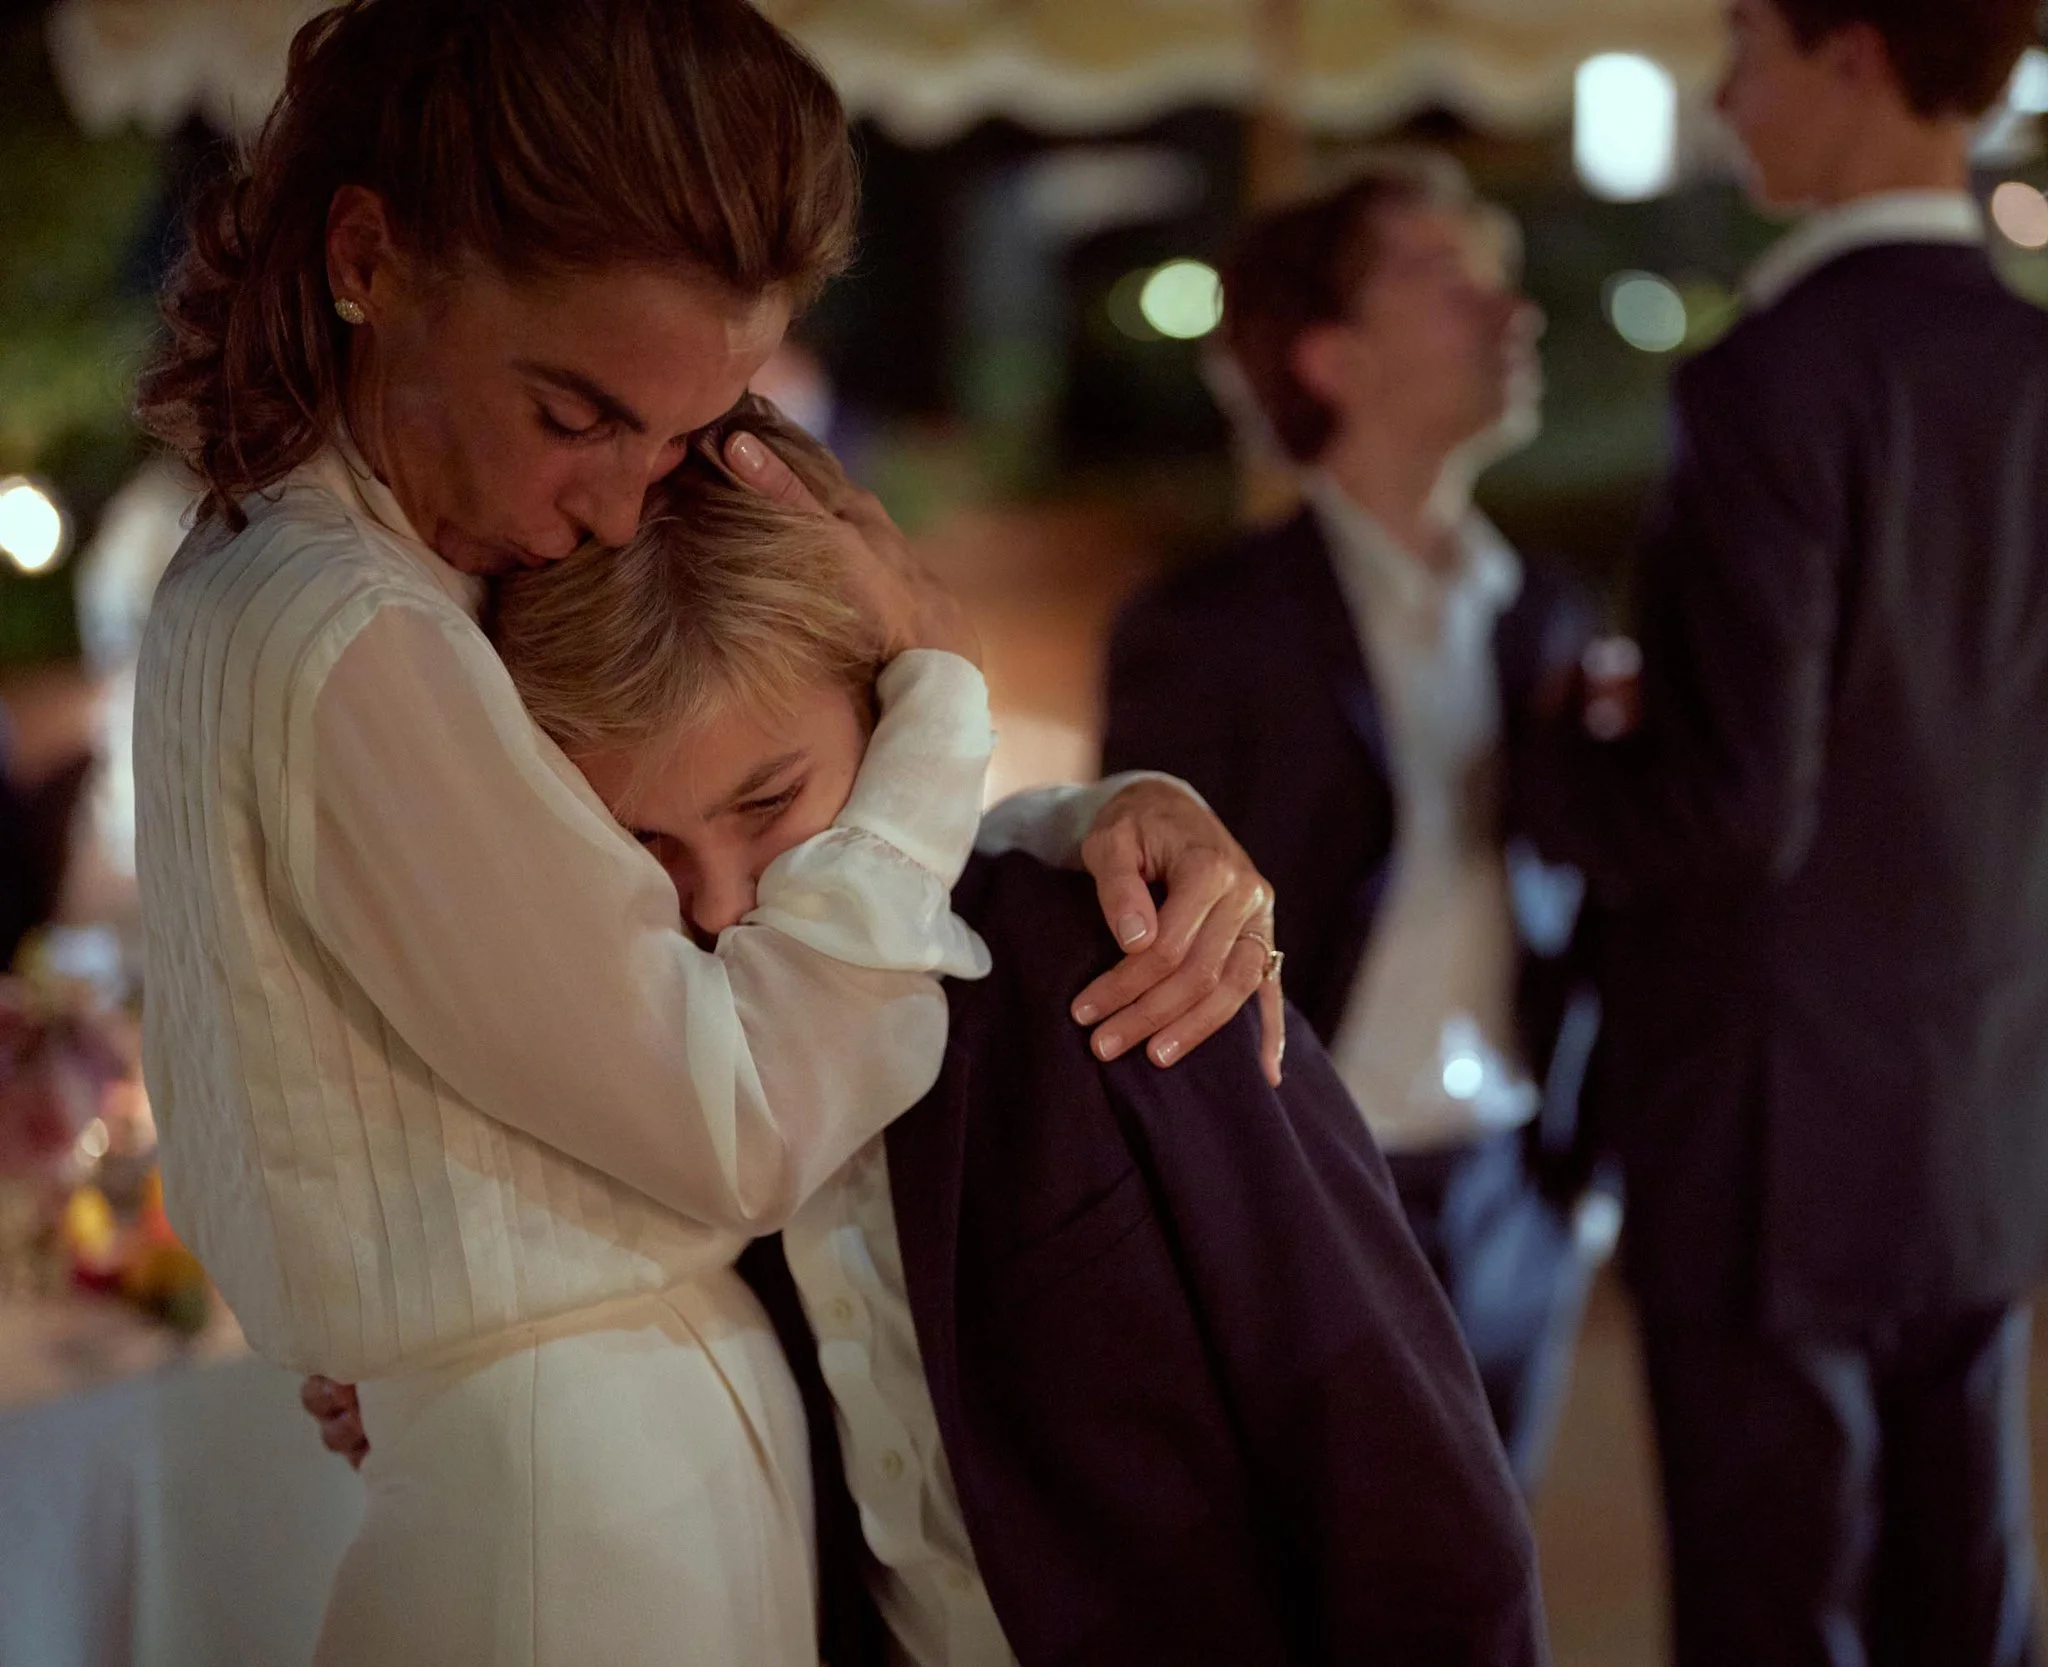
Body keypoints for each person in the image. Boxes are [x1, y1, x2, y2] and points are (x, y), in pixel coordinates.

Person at [132, 3, 1276, 1662]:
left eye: (677, 436)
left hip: (614, 1457)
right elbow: (737, 1119)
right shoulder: (348, 624)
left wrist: (1097, 819)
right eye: (576, 411)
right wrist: (938, 696)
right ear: (369, 255)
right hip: (570, 1498)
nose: (615, 503)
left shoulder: (382, 580)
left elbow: (702, 904)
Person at [475, 408, 1546, 1664]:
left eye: (768, 803)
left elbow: (1409, 1495)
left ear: (890, 720)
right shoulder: (634, 1057)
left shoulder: (1128, 967)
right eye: (646, 844)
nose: (721, 906)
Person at [1514, 2, 2048, 1662]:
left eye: (1747, 51)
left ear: (1852, 57)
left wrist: (1549, 758)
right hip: (1990, 1085)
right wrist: (1967, 802)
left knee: (1774, 1609)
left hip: (1771, 1110)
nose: (1721, 95)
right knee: (1962, 1591)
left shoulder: (1772, 379)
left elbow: (1729, 804)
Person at [1101, 156, 1609, 1489]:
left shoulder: (1547, 611)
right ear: (1328, 356)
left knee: (1489, 1586)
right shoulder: (1206, 629)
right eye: (1448, 277)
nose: (1512, 312)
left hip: (1515, 1182)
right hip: (1310, 1187)